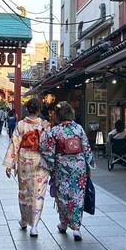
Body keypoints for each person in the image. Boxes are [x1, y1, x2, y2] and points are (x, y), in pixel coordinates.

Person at [40, 101, 94, 241]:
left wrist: (45, 131)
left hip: (62, 166)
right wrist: (89, 165)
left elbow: (46, 147)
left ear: (58, 115)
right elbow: (86, 147)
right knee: (77, 196)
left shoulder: (55, 130)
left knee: (63, 195)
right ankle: (76, 228)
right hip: (79, 166)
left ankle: (64, 223)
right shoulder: (79, 128)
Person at [4, 97, 50, 237]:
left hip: (24, 161)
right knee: (38, 193)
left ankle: (24, 220)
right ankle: (34, 226)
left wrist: (9, 165)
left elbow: (14, 144)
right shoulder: (44, 125)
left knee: (24, 192)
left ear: (27, 109)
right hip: (40, 161)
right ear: (39, 109)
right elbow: (49, 145)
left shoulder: (21, 125)